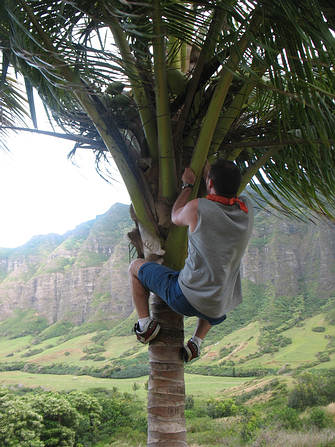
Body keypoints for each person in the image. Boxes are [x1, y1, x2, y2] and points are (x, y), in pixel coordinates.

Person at [129, 159, 254, 362]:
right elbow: (227, 196)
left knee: (135, 268)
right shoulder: (247, 209)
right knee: (217, 288)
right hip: (219, 306)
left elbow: (175, 216)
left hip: (184, 297)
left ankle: (145, 326)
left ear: (210, 184)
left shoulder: (198, 208)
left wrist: (187, 185)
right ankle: (196, 342)